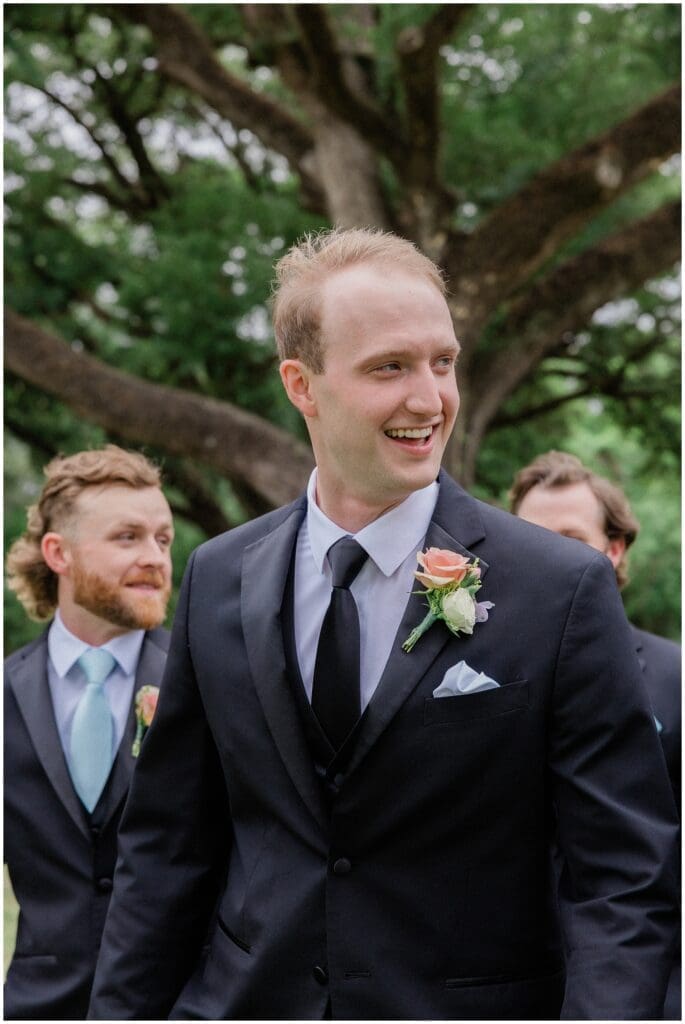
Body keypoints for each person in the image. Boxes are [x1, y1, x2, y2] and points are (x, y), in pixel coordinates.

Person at [89, 229, 677, 1021]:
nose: (429, 399)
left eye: (442, 361)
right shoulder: (218, 577)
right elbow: (166, 851)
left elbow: (621, 881)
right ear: (302, 385)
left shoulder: (559, 589)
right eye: (388, 367)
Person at [510, 448, 681, 1019]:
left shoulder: (677, 678)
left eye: (570, 538)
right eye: (530, 537)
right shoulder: (468, 671)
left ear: (614, 549)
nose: (548, 557)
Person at [4, 445, 174, 1020]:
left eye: (163, 539)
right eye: (127, 537)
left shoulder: (206, 684)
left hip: (177, 1005)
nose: (154, 557)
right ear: (60, 553)